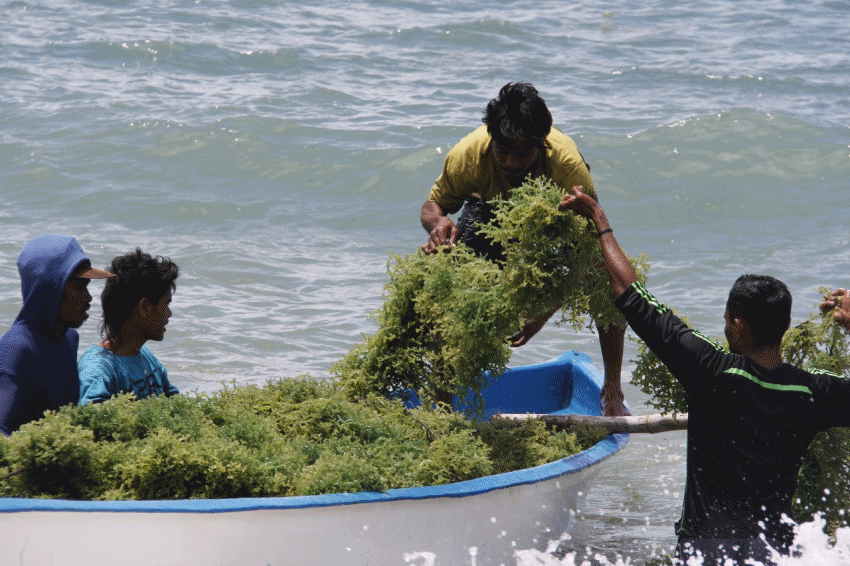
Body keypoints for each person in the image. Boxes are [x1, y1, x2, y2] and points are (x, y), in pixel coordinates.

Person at [560, 185, 850, 565]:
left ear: (740, 326)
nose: (725, 327)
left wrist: (599, 220)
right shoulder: (813, 391)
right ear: (788, 324)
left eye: (728, 320)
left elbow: (631, 294)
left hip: (704, 551)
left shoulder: (710, 368)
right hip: (775, 552)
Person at [419, 81, 627, 416]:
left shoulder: (567, 168)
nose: (512, 163)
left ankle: (613, 392)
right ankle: (443, 406)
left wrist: (544, 312)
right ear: (491, 140)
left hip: (553, 220)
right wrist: (438, 225)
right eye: (503, 151)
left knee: (606, 279)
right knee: (442, 281)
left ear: (541, 145)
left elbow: (589, 248)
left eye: (522, 153)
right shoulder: (468, 155)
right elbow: (432, 206)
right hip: (488, 212)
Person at [0, 234, 114, 436]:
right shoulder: (16, 349)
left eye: (87, 287)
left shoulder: (69, 339)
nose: (88, 298)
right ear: (51, 289)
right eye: (79, 287)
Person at [78, 248, 180, 405]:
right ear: (145, 307)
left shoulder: (144, 355)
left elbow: (174, 398)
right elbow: (92, 418)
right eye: (165, 304)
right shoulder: (98, 368)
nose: (169, 314)